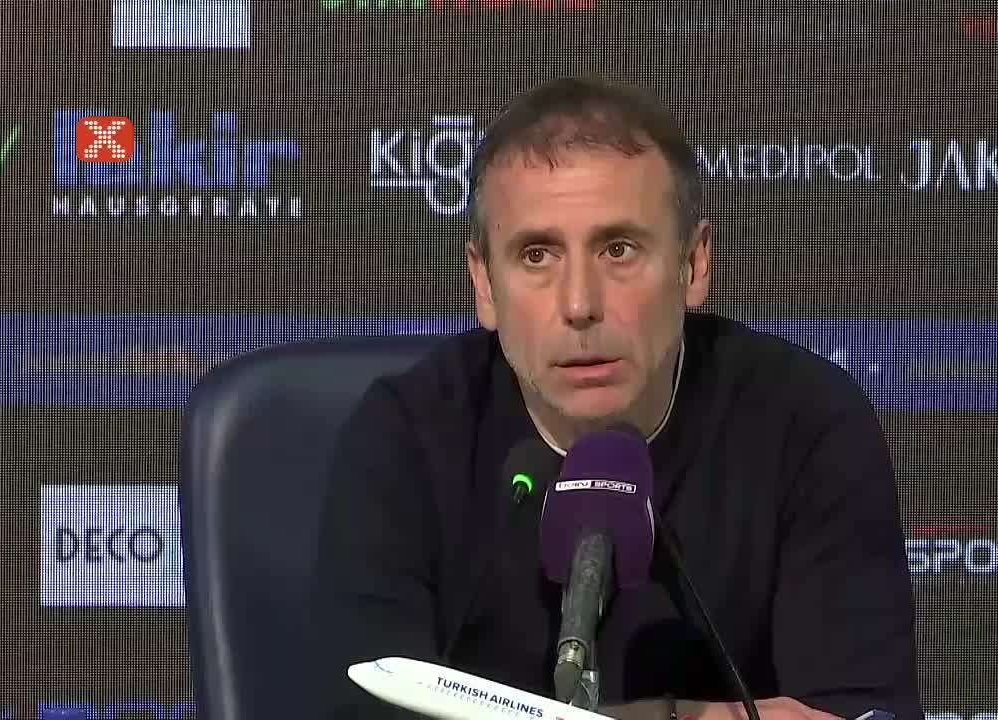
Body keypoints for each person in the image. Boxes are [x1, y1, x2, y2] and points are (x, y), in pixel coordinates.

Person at [311, 76, 923, 720]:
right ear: (485, 285)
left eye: (619, 249)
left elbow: (859, 711)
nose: (580, 304)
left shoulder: (804, 423)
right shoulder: (407, 436)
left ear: (694, 265)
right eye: (537, 255)